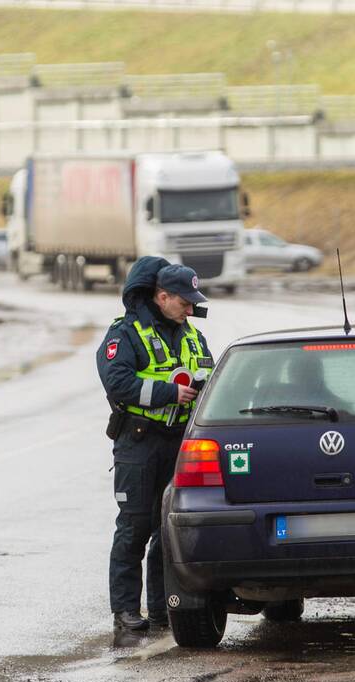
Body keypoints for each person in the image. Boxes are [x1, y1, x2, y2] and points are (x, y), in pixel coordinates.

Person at [96, 256, 214, 633]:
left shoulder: (192, 334)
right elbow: (117, 383)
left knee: (169, 531)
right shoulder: (125, 335)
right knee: (135, 527)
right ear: (161, 297)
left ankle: (162, 609)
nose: (190, 308)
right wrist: (169, 392)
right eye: (184, 301)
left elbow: (212, 376)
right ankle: (126, 611)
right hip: (139, 442)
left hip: (180, 443)